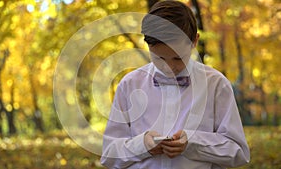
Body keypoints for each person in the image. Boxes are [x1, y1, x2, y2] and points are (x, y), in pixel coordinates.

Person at [100, 1, 250, 169]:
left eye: (178, 58)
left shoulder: (216, 84)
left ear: (194, 41)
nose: (169, 67)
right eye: (159, 58)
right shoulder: (129, 85)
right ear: (148, 46)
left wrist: (192, 143)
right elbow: (109, 155)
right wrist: (142, 145)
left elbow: (238, 152)